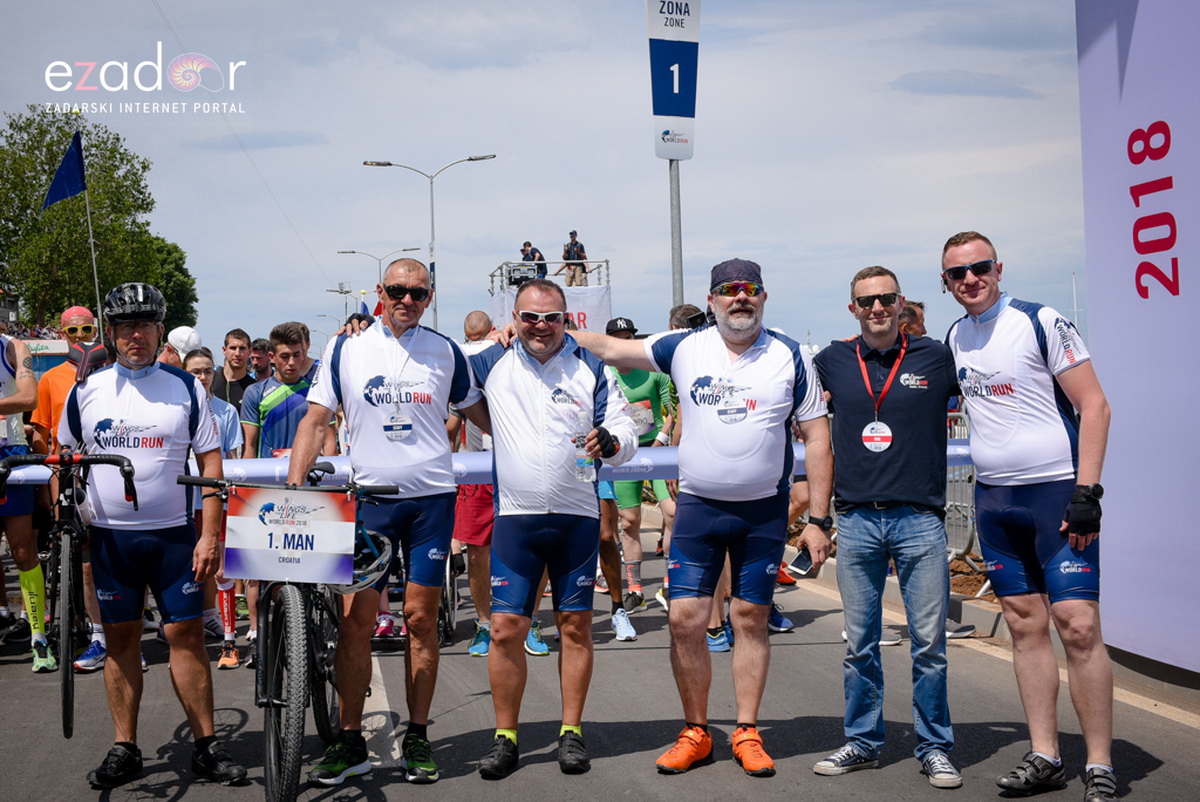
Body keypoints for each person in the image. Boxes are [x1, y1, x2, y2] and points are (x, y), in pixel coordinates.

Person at [573, 259, 833, 778]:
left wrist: (819, 519)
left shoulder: (790, 353)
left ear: (763, 297)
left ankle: (746, 730)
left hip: (763, 512)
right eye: (728, 291)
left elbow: (819, 436)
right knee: (684, 620)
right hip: (699, 508)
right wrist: (551, 322)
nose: (740, 299)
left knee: (750, 620)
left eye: (749, 290)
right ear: (711, 300)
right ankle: (696, 730)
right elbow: (611, 347)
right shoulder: (683, 346)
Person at [288, 258, 488, 787]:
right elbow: (315, 420)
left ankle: (418, 736)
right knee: (356, 621)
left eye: (418, 293)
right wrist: (293, 486)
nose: (406, 300)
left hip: (431, 504)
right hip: (370, 503)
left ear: (429, 297)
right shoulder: (345, 348)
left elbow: (482, 414)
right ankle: (350, 740)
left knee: (422, 621)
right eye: (397, 290)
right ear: (380, 292)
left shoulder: (445, 351)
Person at [941, 231, 1116, 801]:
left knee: (1080, 628)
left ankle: (1100, 764)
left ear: (998, 267)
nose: (970, 279)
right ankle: (1046, 755)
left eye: (980, 267)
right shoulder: (955, 337)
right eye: (957, 274)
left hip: (1055, 498)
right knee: (1023, 624)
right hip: (995, 501)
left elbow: (1094, 404)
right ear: (946, 283)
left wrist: (1087, 491)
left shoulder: (1039, 320)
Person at [60, 282, 246, 789]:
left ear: (160, 330)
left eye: (144, 325)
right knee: (120, 641)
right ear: (111, 333)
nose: (135, 335)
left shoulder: (186, 387)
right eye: (125, 326)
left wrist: (210, 536)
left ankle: (206, 746)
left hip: (172, 536)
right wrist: (71, 517)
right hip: (112, 540)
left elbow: (211, 462)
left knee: (185, 637)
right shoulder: (86, 391)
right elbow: (64, 459)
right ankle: (125, 747)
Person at [469, 278, 638, 779]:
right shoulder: (488, 361)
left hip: (577, 517)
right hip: (516, 517)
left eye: (552, 317)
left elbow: (627, 428)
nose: (541, 326)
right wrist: (359, 332)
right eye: (530, 317)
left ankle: (571, 732)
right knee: (504, 630)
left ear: (568, 319)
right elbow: (436, 369)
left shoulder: (591, 367)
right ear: (514, 319)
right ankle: (506, 737)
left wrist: (612, 440)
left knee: (575, 627)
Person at [811, 266, 962, 788]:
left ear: (902, 305)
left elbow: (994, 397)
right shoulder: (831, 360)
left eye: (886, 299)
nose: (877, 308)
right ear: (852, 308)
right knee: (860, 644)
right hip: (855, 521)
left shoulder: (936, 357)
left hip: (919, 519)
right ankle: (863, 741)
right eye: (866, 301)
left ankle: (935, 746)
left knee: (929, 645)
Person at [603, 316, 675, 635]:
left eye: (627, 336)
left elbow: (671, 412)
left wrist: (661, 438)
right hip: (625, 455)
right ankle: (635, 590)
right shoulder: (605, 375)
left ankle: (670, 583)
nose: (623, 340)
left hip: (656, 449)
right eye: (616, 337)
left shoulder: (653, 372)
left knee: (672, 513)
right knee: (629, 521)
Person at [183, 347, 245, 670]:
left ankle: (230, 643)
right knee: (184, 573)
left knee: (221, 572)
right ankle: (186, 648)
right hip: (181, 505)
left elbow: (232, 463)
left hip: (214, 505)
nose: (202, 377)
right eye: (195, 371)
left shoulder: (226, 412)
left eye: (207, 371)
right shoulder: (175, 409)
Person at [447, 310, 498, 657]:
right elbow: (451, 426)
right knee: (478, 552)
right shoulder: (462, 363)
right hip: (478, 473)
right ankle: (483, 622)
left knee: (530, 550)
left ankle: (527, 622)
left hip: (518, 470)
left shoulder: (513, 357)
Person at [0, 327, 48, 671]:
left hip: (11, 456)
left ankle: (39, 636)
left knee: (22, 552)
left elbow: (28, 397)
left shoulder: (13, 347)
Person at [211, 328, 255, 408]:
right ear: (224, 350)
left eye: (242, 348)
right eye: (233, 348)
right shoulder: (210, 381)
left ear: (250, 352)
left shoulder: (254, 388)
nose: (237, 353)